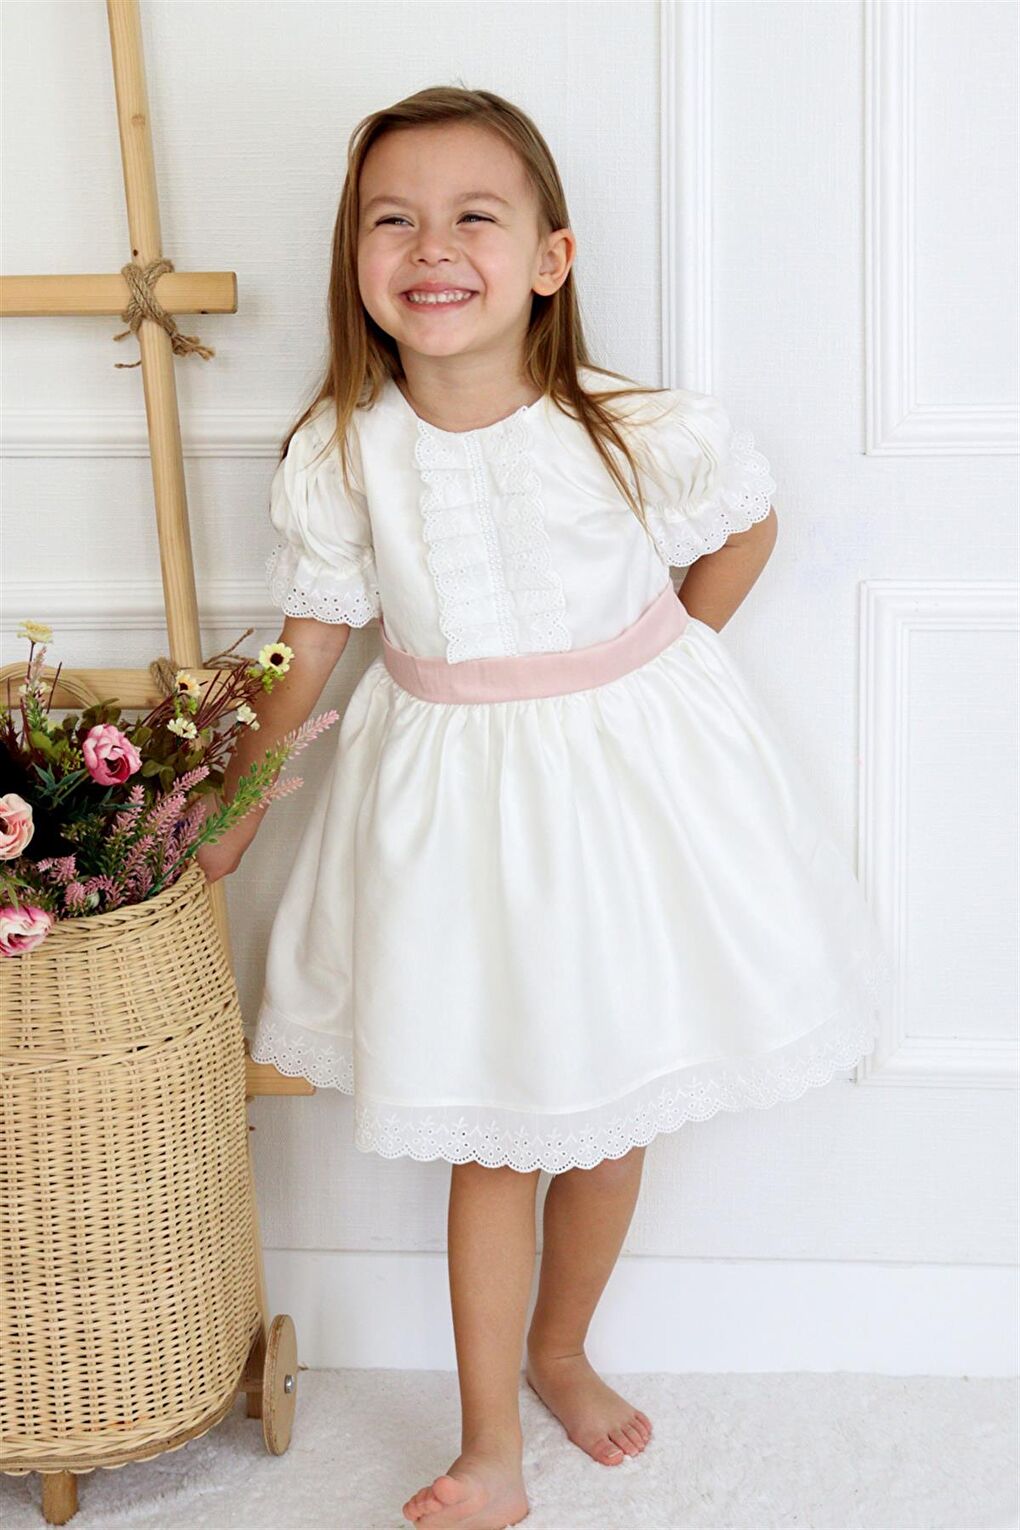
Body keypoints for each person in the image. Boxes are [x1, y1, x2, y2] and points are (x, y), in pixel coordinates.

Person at [200, 86, 894, 1530]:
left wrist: (658, 661)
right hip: (455, 829)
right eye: (393, 220)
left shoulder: (630, 428)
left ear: (550, 259)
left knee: (608, 1119)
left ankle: (560, 1348)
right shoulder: (345, 451)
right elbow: (309, 651)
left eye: (475, 217)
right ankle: (487, 1443)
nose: (432, 248)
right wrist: (232, 814)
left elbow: (745, 527)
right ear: (355, 260)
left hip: (623, 814)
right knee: (495, 1133)